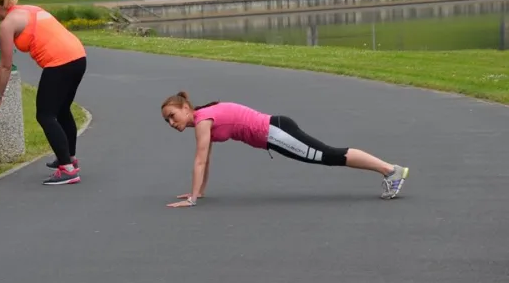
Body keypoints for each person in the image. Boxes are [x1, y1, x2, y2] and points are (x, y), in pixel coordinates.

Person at [160, 91, 410, 208]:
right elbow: (207, 158)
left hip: (277, 133)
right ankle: (390, 171)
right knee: (329, 155)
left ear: (185, 108)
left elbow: (200, 160)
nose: (172, 123)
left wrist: (192, 200)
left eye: (172, 116)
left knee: (330, 155)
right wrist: (199, 192)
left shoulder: (204, 120)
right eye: (167, 121)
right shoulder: (204, 118)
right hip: (277, 131)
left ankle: (390, 171)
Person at [0, 0, 86, 185]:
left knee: (45, 115)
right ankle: (69, 158)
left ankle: (67, 169)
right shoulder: (31, 9)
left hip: (60, 63)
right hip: (78, 57)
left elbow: (5, 65)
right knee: (62, 110)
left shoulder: (7, 24)